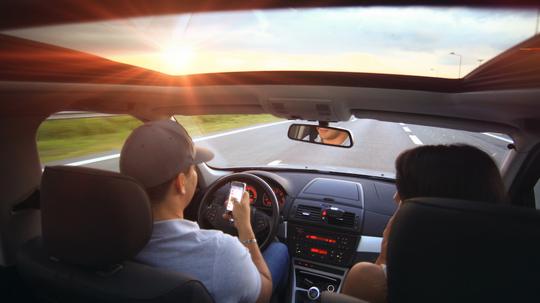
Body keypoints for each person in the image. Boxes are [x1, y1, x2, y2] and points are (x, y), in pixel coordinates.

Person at [119, 119, 289, 303]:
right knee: (280, 249)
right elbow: (263, 293)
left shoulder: (105, 241)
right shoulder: (221, 252)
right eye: (193, 169)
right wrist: (245, 227)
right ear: (181, 183)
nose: (195, 174)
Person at [341, 144, 506, 303]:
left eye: (404, 192)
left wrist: (386, 257)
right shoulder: (513, 272)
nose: (395, 198)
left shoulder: (372, 279)